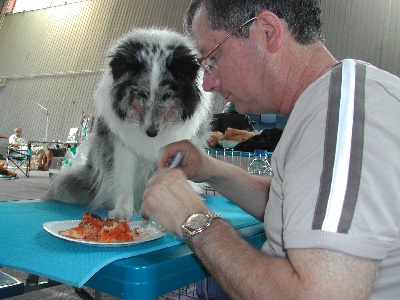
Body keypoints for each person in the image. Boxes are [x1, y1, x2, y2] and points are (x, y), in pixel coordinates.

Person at [141, 1, 400, 299]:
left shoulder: (341, 121)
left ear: (267, 31)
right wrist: (211, 169)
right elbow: (294, 208)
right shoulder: (341, 100)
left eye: (212, 59)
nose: (209, 84)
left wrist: (193, 218)